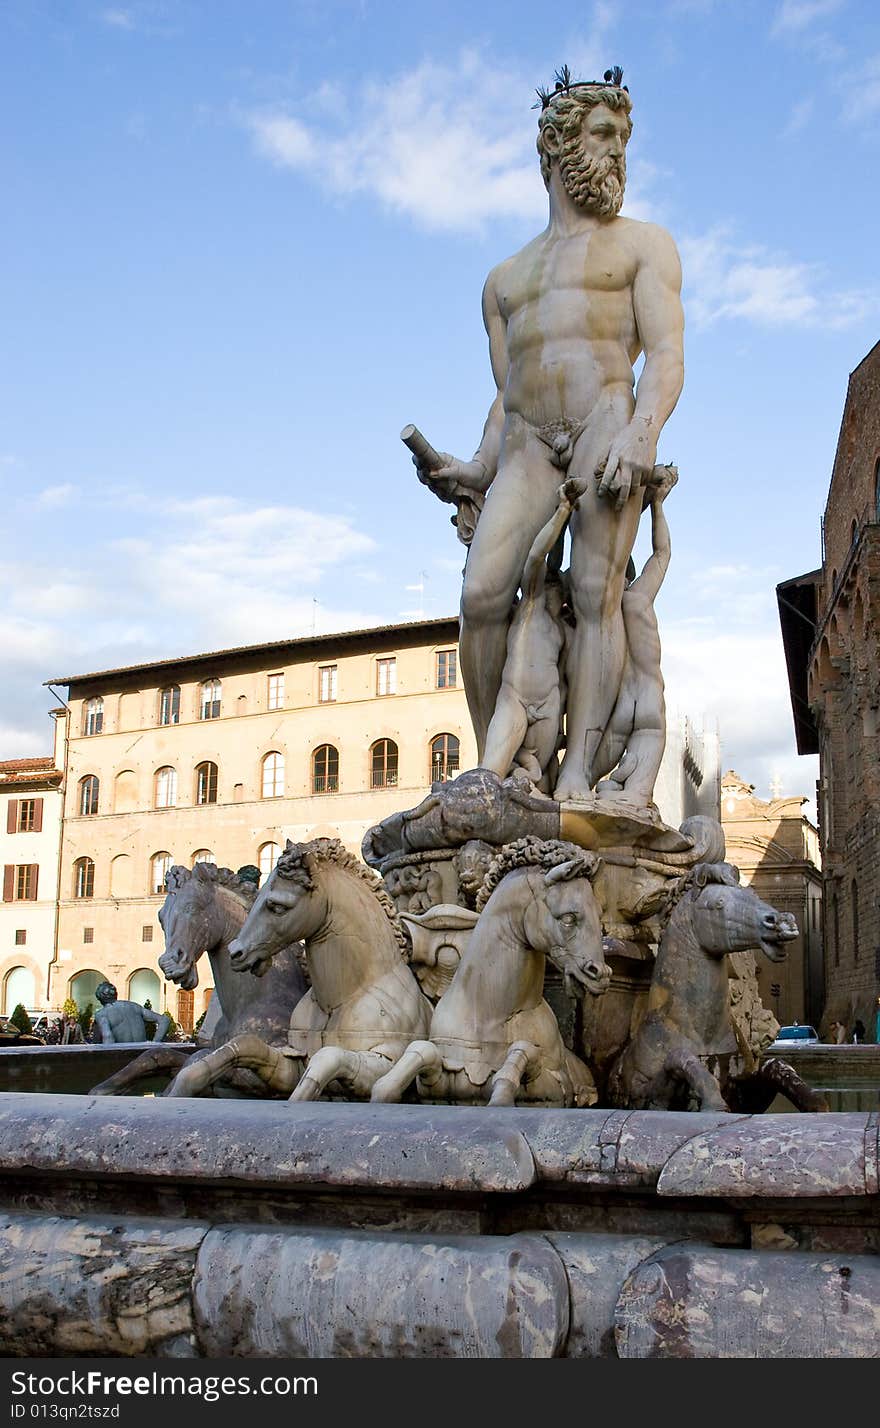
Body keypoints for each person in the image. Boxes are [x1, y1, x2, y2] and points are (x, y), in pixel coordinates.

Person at [415, 68, 684, 802]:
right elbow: (506, 398)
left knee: (597, 592)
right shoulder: (503, 281)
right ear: (557, 147)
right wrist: (472, 467)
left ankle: (573, 776)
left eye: (624, 137)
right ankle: (498, 766)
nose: (619, 151)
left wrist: (641, 430)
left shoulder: (643, 246)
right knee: (481, 594)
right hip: (531, 441)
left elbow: (664, 356)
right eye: (604, 135)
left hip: (606, 420)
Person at [93, 981, 170, 1044]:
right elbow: (164, 1020)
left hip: (123, 1055)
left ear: (100, 999)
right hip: (142, 1053)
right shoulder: (134, 1006)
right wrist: (155, 1043)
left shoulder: (102, 1014)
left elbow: (108, 1036)